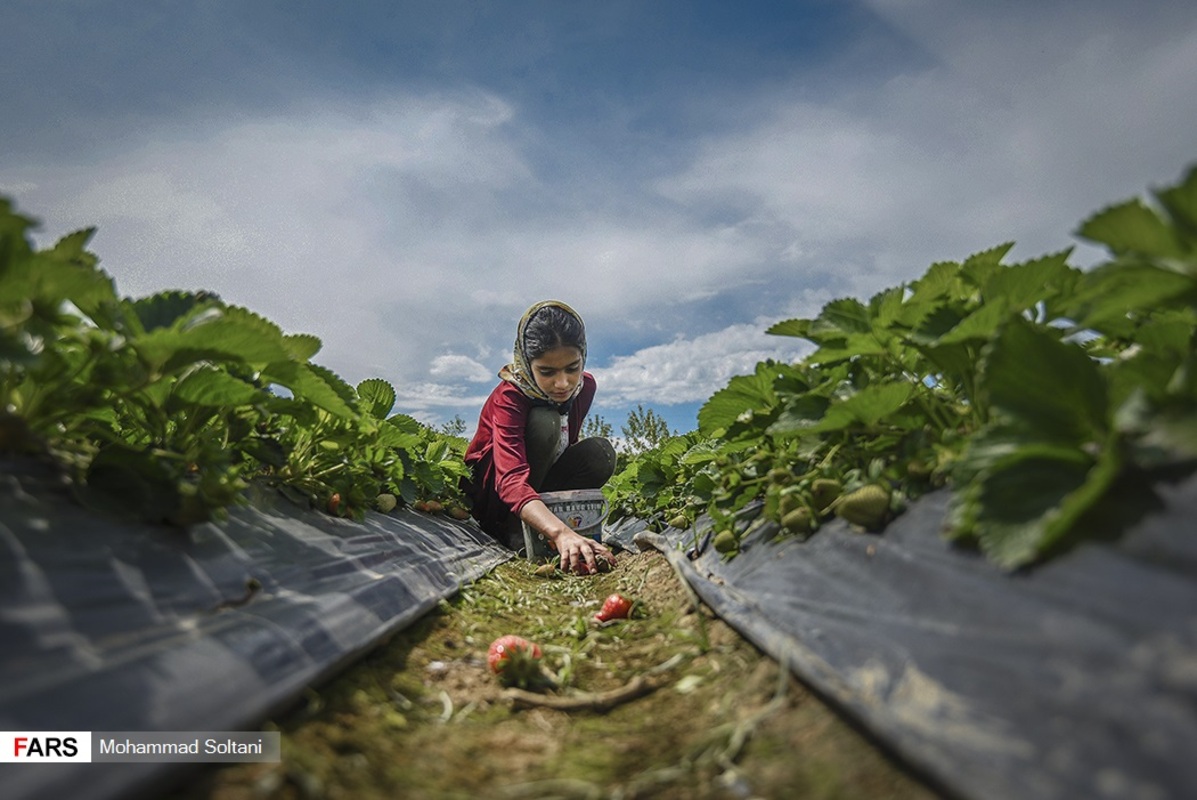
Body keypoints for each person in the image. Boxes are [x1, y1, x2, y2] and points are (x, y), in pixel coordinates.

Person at [463, 300, 618, 575]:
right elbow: (509, 479)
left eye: (572, 368)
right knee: (545, 421)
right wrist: (559, 533)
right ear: (527, 361)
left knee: (599, 453)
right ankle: (513, 530)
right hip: (496, 496)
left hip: (536, 487)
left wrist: (566, 527)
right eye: (547, 372)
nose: (563, 384)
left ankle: (551, 523)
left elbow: (566, 444)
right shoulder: (509, 397)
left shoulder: (585, 387)